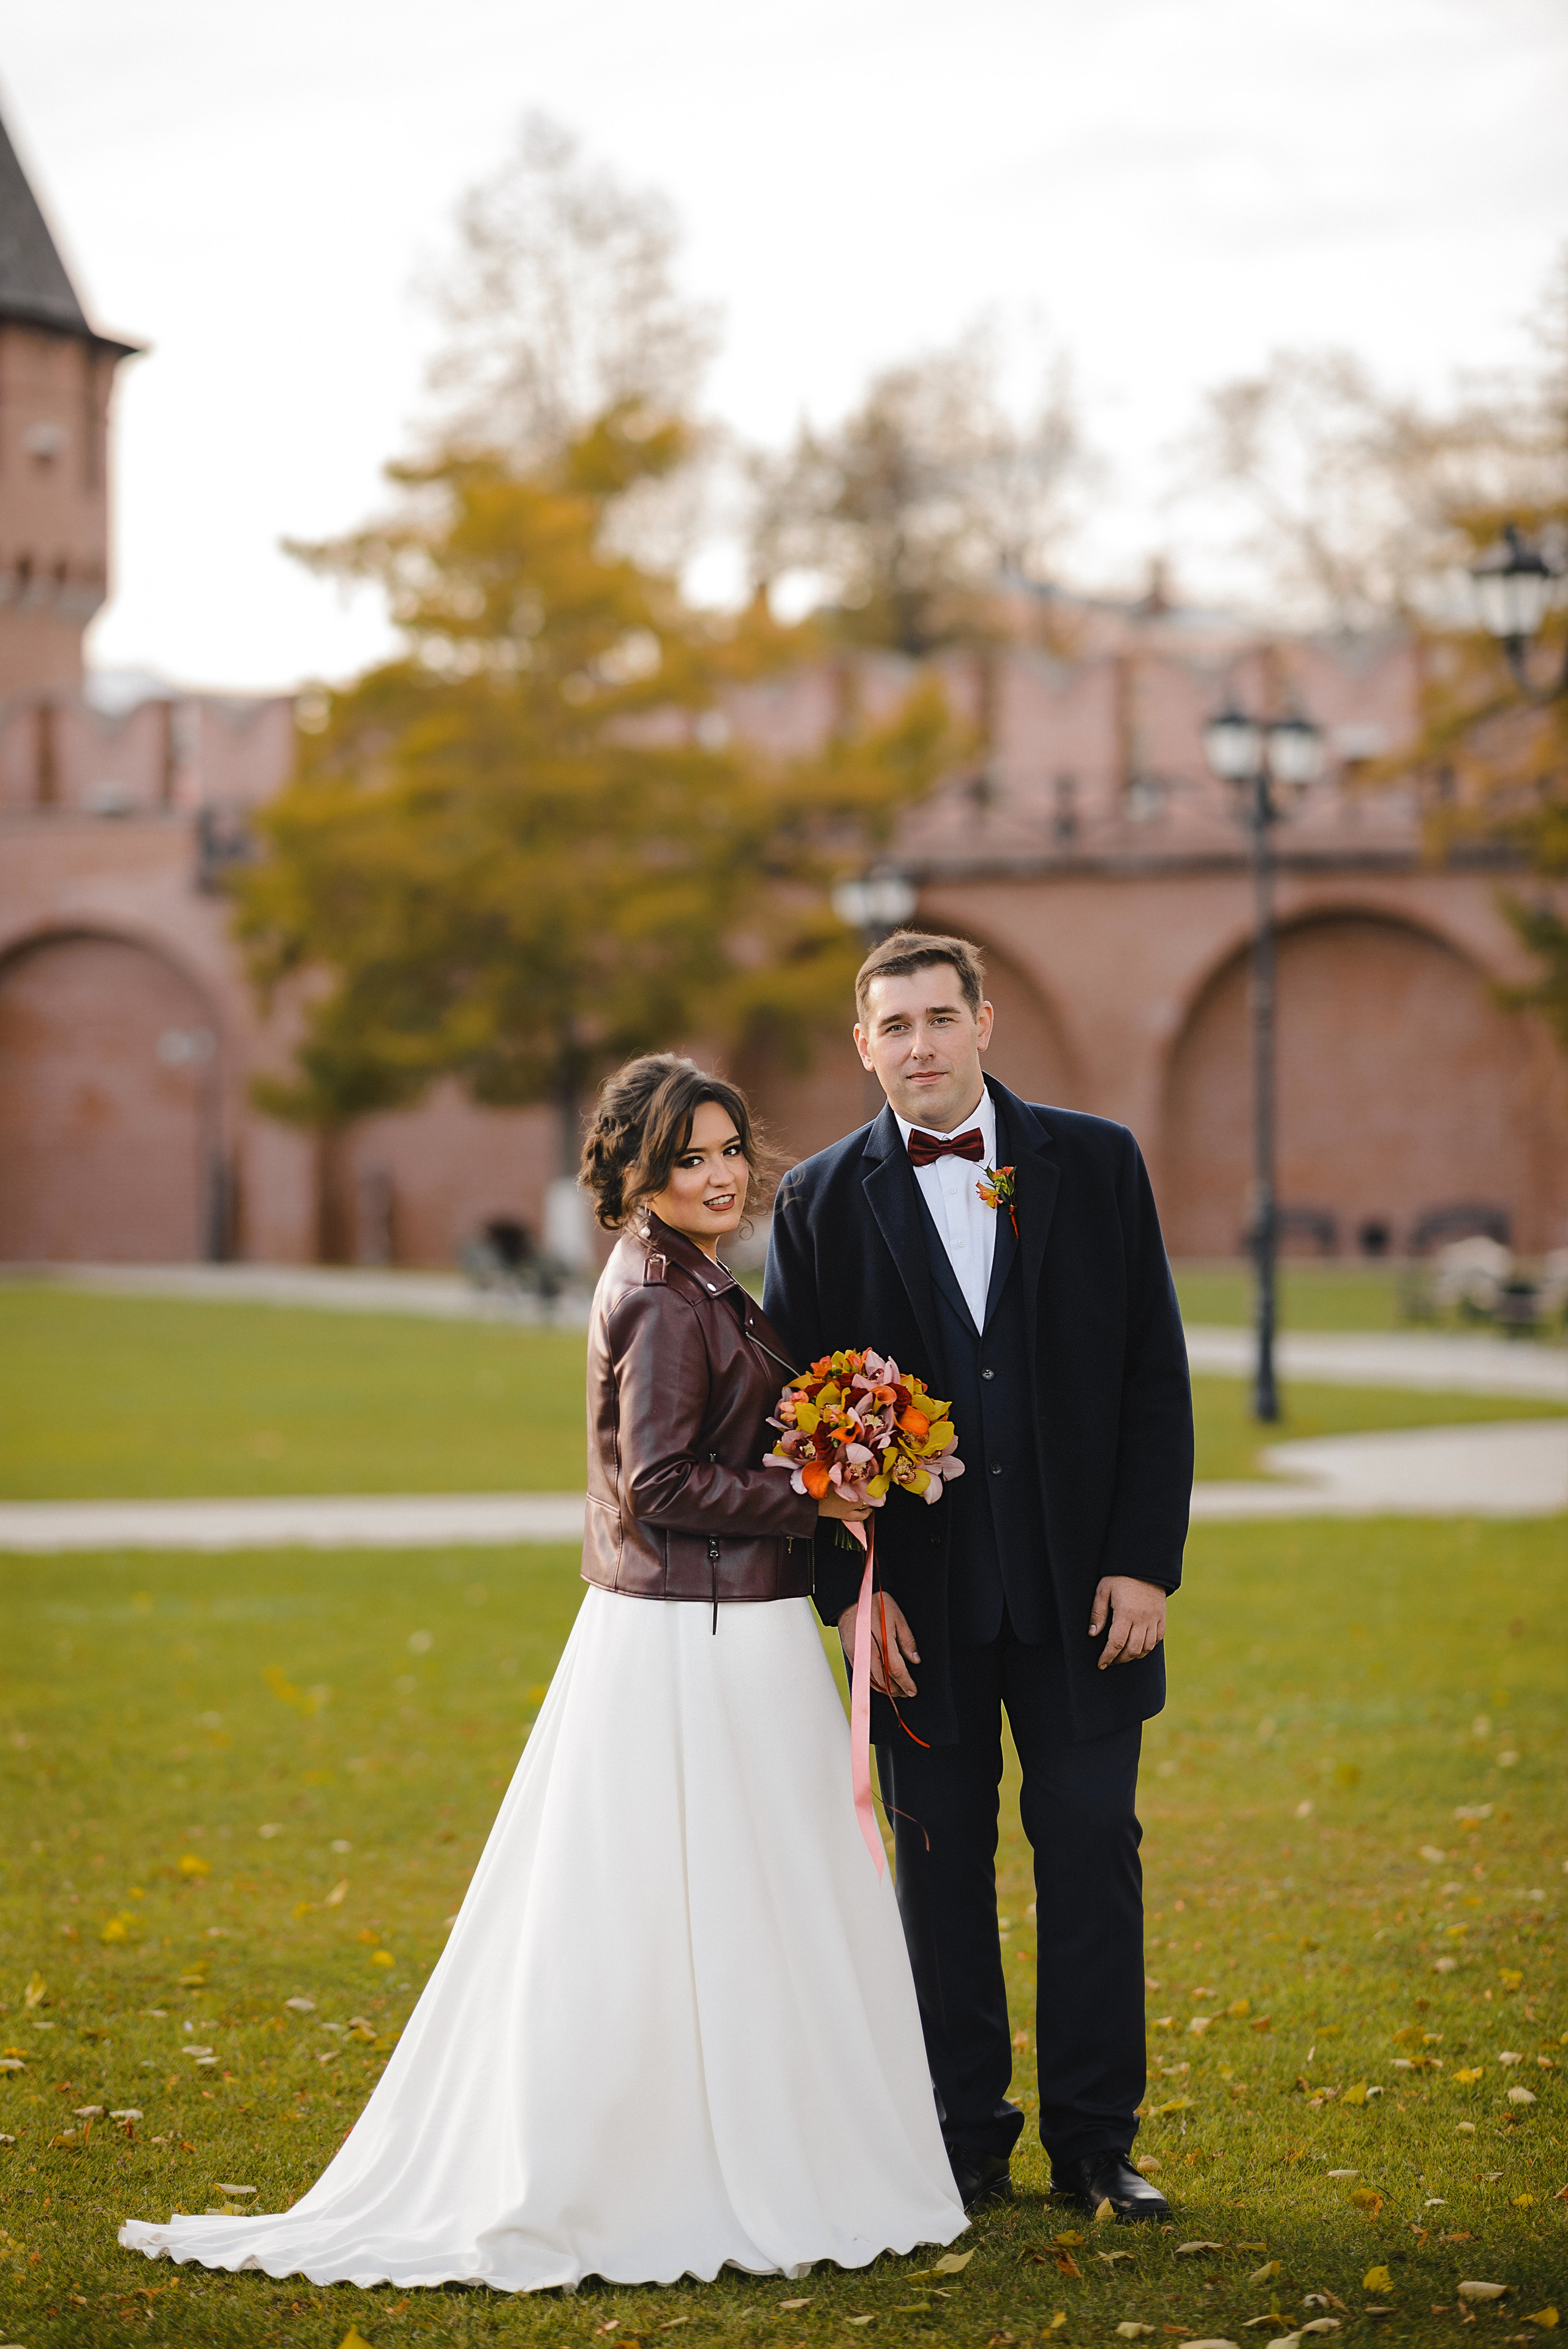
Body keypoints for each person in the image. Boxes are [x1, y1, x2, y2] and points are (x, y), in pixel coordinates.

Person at [120, 1055, 965, 2293]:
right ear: (637, 1173)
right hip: (692, 1640)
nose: (720, 1173)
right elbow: (659, 1486)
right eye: (689, 1157)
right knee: (692, 1898)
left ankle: (769, 2136)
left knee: (740, 1898)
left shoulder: (692, 1274)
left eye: (728, 1148)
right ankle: (670, 2161)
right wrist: (816, 1489)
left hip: (724, 1622)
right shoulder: (662, 1296)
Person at [764, 933, 1193, 2222]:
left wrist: (1140, 1563)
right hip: (919, 1611)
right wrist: (851, 1591)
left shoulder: (1098, 1164)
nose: (920, 1048)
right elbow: (801, 1425)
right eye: (892, 1027)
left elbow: (1150, 1378)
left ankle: (1093, 2144)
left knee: (1087, 1853)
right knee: (937, 1872)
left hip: (1083, 1603)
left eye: (940, 1019)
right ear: (862, 1046)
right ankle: (958, 2139)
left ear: (984, 1022)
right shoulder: (818, 1200)